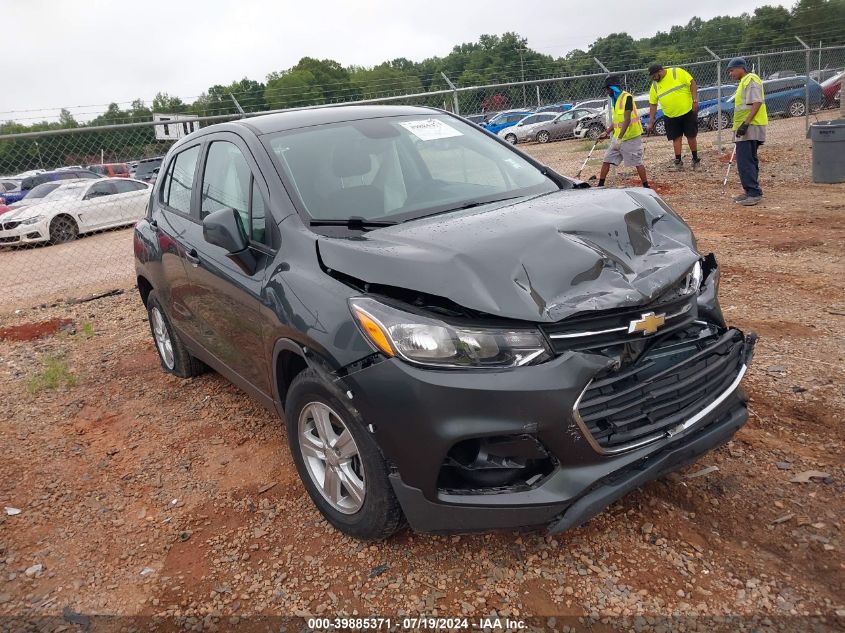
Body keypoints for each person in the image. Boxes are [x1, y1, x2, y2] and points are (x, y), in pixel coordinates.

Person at [726, 57, 768, 206]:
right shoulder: (745, 82)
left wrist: (746, 124)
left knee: (745, 161)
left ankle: (753, 193)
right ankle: (751, 191)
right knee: (748, 159)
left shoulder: (750, 79)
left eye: (732, 70)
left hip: (750, 127)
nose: (730, 74)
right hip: (748, 126)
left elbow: (757, 102)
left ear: (741, 68)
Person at [597, 75, 649, 189]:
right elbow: (617, 122)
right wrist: (606, 132)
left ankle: (646, 186)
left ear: (613, 88)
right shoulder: (615, 100)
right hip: (618, 138)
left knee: (637, 162)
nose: (607, 92)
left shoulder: (627, 98)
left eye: (608, 89)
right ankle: (600, 185)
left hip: (631, 137)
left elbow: (627, 120)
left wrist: (619, 138)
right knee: (607, 159)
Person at [646, 64, 700, 170]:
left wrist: (694, 100)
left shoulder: (677, 72)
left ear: (660, 71)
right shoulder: (655, 86)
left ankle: (695, 159)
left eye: (654, 76)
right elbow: (653, 104)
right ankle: (678, 162)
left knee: (691, 136)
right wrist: (651, 121)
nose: (653, 79)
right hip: (670, 115)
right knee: (676, 138)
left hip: (687, 111)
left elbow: (692, 83)